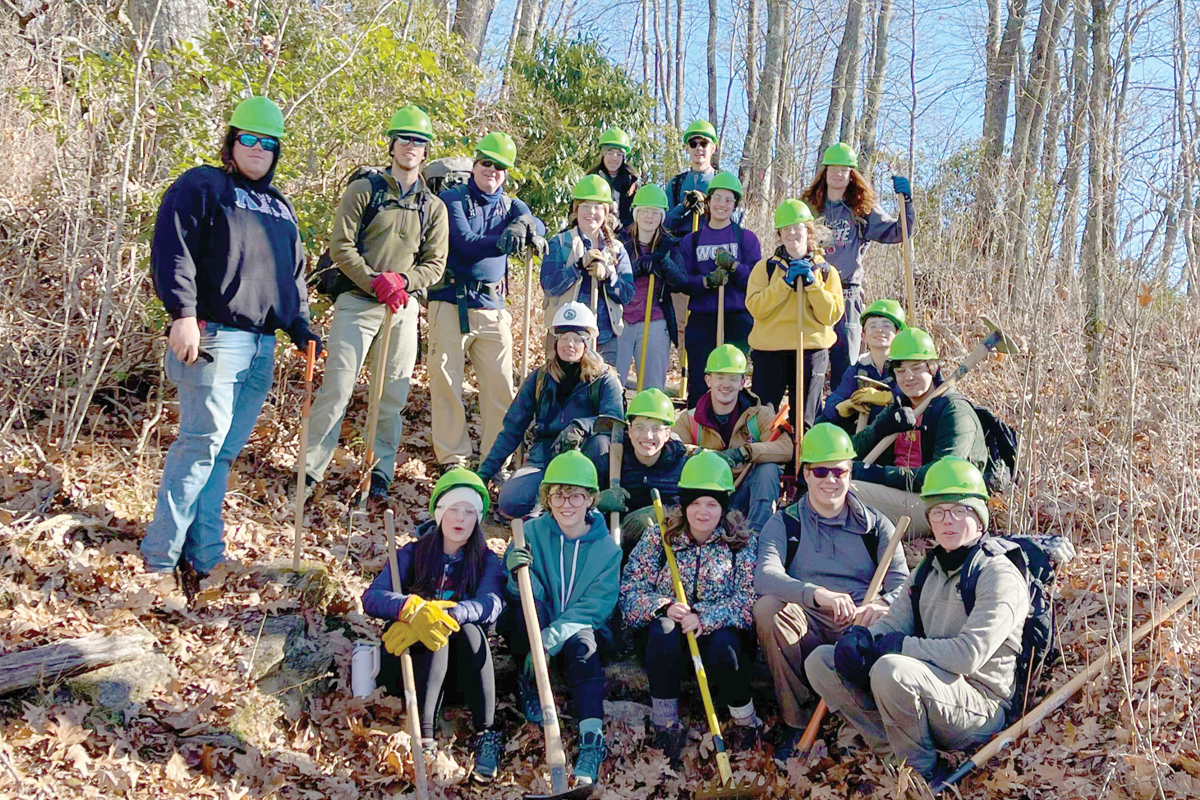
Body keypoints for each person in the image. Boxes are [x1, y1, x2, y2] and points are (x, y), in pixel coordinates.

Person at [141, 96, 322, 598]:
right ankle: (159, 561)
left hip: (262, 347)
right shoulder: (203, 186)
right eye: (249, 138)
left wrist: (301, 326)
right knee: (199, 446)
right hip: (214, 336)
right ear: (231, 142)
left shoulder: (281, 206)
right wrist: (181, 315)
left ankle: (206, 557)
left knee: (222, 456)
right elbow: (172, 248)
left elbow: (293, 277)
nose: (259, 149)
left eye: (269, 142)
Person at [805, 457, 1029, 789]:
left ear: (979, 519)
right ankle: (896, 755)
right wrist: (861, 638)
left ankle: (922, 773)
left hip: (978, 706)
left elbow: (968, 656)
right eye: (938, 512)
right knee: (821, 661)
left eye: (959, 510)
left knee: (891, 669)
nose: (947, 521)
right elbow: (894, 622)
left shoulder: (998, 574)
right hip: (929, 690)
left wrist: (901, 647)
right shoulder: (928, 568)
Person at [302, 105, 448, 501]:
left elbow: (435, 265)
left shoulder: (433, 207)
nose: (411, 147)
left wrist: (402, 281)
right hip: (356, 303)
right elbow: (341, 246)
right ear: (393, 144)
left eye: (419, 141)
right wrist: (373, 281)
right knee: (337, 388)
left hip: (402, 310)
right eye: (405, 139)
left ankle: (379, 471)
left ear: (426, 149)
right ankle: (310, 472)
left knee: (391, 397)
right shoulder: (364, 190)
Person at [752, 423, 909, 763]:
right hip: (807, 620)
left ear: (851, 474)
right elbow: (765, 576)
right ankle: (798, 720)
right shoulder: (784, 524)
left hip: (858, 623)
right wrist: (816, 594)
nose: (830, 480)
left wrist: (883, 605)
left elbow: (901, 584)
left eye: (839, 471)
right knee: (767, 609)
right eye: (820, 471)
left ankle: (853, 724)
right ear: (806, 474)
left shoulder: (877, 525)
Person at [620, 451, 762, 764]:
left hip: (717, 644)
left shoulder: (741, 542)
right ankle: (665, 724)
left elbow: (748, 598)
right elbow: (630, 590)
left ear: (724, 507)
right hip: (667, 648)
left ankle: (745, 722)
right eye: (695, 503)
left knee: (724, 645)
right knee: (664, 630)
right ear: (683, 505)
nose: (702, 511)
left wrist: (706, 618)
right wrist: (664, 606)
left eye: (711, 503)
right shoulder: (661, 537)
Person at [363, 468, 505, 781]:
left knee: (466, 630)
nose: (461, 518)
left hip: (461, 675)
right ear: (439, 513)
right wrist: (410, 609)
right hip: (408, 667)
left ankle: (487, 734)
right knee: (431, 637)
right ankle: (423, 737)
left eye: (469, 511)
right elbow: (372, 597)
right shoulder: (412, 553)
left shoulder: (486, 560)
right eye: (454, 509)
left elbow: (491, 604)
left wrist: (451, 613)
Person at [500, 451, 621, 786]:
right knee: (522, 615)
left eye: (577, 495)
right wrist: (514, 570)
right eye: (558, 494)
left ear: (591, 499)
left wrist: (552, 638)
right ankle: (529, 685)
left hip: (573, 632)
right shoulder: (531, 532)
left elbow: (596, 606)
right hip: (537, 624)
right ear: (547, 498)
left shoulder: (608, 550)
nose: (567, 504)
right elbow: (521, 592)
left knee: (585, 645)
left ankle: (591, 739)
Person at [429, 132, 547, 473]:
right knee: (446, 382)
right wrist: (506, 239)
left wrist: (528, 225)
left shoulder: (510, 205)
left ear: (506, 173)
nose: (491, 171)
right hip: (450, 299)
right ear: (475, 164)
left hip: (493, 303)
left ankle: (497, 459)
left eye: (499, 167)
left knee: (500, 388)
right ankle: (453, 459)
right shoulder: (452, 198)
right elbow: (465, 242)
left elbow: (532, 219)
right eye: (486, 163)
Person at [476, 302, 624, 519]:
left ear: (587, 342)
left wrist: (581, 426)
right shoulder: (540, 378)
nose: (569, 344)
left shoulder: (604, 380)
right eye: (564, 337)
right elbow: (512, 428)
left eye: (576, 338)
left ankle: (584, 502)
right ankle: (553, 505)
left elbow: (614, 423)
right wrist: (483, 474)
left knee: (602, 444)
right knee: (511, 503)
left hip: (585, 456)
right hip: (545, 456)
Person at [850, 328, 986, 536]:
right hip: (899, 494)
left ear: (932, 369)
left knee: (845, 491)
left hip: (940, 506)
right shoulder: (901, 406)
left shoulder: (953, 412)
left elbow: (942, 477)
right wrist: (879, 429)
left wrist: (876, 473)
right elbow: (852, 453)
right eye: (901, 370)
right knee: (831, 484)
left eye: (916, 368)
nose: (909, 377)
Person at [802, 142, 915, 390]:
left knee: (846, 366)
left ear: (852, 174)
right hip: (813, 291)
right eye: (833, 168)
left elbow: (898, 232)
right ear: (825, 171)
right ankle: (811, 421)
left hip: (847, 294)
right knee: (810, 365)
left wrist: (906, 202)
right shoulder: (810, 207)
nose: (838, 174)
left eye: (845, 169)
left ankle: (846, 420)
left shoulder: (860, 208)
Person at [746, 199, 844, 431]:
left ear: (808, 231)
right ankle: (767, 461)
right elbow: (755, 307)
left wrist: (812, 285)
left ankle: (802, 465)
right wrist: (785, 283)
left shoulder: (826, 270)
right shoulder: (765, 268)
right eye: (786, 228)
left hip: (810, 350)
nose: (792, 233)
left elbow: (832, 315)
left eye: (797, 227)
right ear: (779, 234)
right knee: (764, 419)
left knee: (806, 420)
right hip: (770, 350)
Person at [674, 345, 792, 532]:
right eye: (719, 377)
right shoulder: (689, 419)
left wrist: (744, 452)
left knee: (768, 469)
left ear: (743, 381)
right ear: (708, 380)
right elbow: (673, 448)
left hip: (745, 493)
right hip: (706, 498)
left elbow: (786, 448)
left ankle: (757, 538)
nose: (726, 384)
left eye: (733, 378)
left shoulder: (760, 415)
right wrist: (704, 455)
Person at [675, 171, 762, 404]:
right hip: (702, 318)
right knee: (699, 380)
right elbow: (682, 281)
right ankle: (697, 430)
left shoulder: (747, 239)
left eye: (728, 200)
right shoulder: (691, 241)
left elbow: (756, 281)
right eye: (717, 198)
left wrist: (734, 267)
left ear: (735, 205)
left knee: (731, 381)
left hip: (737, 318)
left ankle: (731, 431)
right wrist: (706, 281)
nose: (722, 204)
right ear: (708, 201)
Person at [541, 175, 634, 366]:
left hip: (604, 337)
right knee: (561, 391)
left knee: (601, 391)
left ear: (606, 212)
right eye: (585, 205)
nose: (592, 212)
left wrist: (609, 276)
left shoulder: (616, 249)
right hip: (564, 337)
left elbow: (627, 294)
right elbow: (549, 285)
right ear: (575, 210)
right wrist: (578, 266)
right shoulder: (559, 243)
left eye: (598, 206)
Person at [591, 388, 688, 559]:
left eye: (656, 428)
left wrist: (664, 513)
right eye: (640, 427)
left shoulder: (682, 466)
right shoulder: (610, 462)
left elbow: (697, 508)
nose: (647, 435)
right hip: (613, 550)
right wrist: (597, 501)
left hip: (665, 552)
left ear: (667, 434)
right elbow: (574, 503)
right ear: (628, 431)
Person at [614, 184, 682, 391]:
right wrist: (638, 267)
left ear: (662, 216)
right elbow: (610, 277)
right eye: (644, 211)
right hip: (621, 319)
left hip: (655, 319)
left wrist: (664, 263)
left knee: (652, 386)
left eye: (654, 212)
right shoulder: (620, 241)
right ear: (635, 213)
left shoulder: (670, 244)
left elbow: (681, 281)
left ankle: (650, 421)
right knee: (613, 383)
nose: (649, 217)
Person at [823, 298, 905, 433]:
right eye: (872, 326)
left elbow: (916, 395)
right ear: (863, 336)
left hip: (899, 434)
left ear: (897, 333)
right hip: (866, 435)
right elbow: (833, 401)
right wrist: (842, 406)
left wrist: (886, 398)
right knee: (822, 421)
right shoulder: (857, 369)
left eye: (886, 325)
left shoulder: (907, 365)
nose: (879, 330)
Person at [589, 127, 639, 228]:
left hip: (626, 235)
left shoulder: (633, 182)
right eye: (610, 153)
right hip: (596, 232)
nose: (614, 158)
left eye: (619, 154)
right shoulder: (591, 180)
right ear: (603, 155)